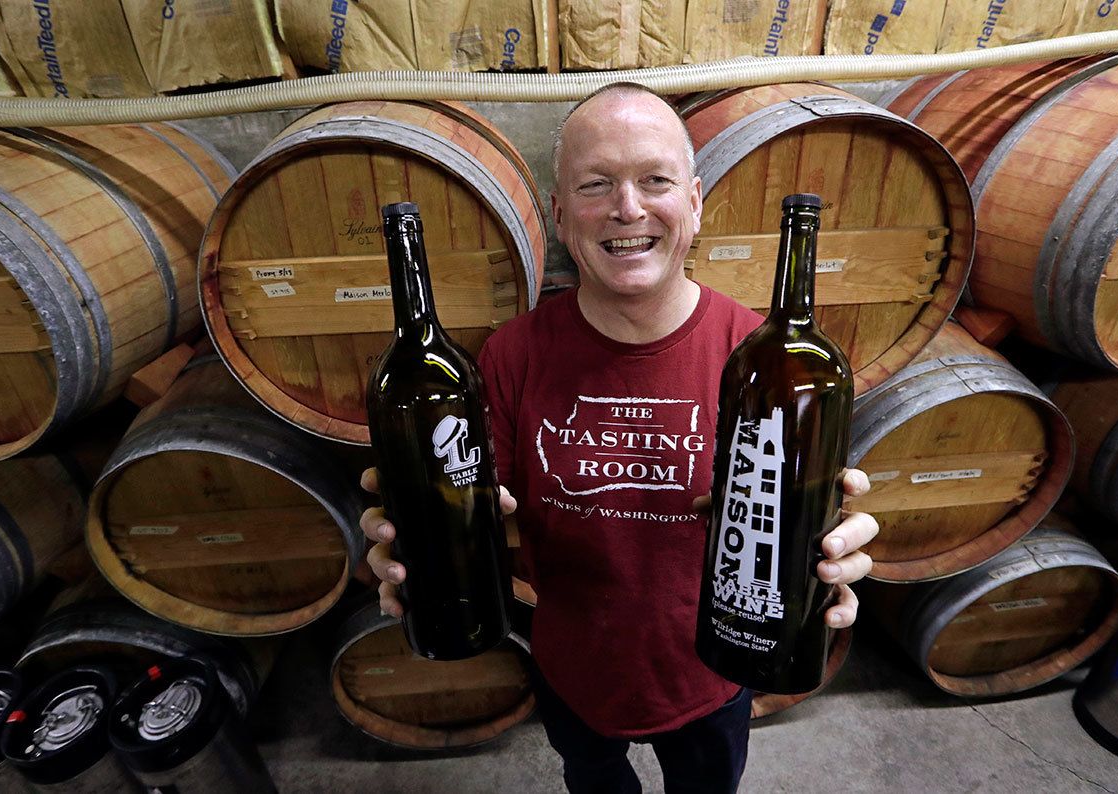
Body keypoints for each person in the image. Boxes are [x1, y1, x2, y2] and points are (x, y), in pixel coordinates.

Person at [360, 83, 880, 794]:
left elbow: (796, 525)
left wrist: (836, 557)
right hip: (572, 670)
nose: (628, 209)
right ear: (560, 213)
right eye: (596, 185)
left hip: (712, 675)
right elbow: (475, 512)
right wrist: (412, 544)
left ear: (694, 200)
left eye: (655, 181)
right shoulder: (510, 357)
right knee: (594, 780)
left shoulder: (759, 362)